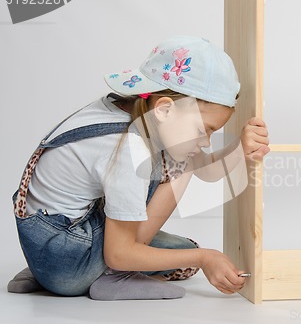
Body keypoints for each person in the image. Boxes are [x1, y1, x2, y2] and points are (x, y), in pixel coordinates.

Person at [8, 36, 270, 300]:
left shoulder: (123, 109)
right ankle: (116, 277)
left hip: (48, 246)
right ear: (164, 110)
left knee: (180, 248)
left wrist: (238, 151)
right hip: (70, 265)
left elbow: (206, 170)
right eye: (204, 130)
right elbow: (119, 253)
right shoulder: (129, 150)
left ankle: (43, 273)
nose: (205, 143)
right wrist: (204, 258)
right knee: (181, 169)